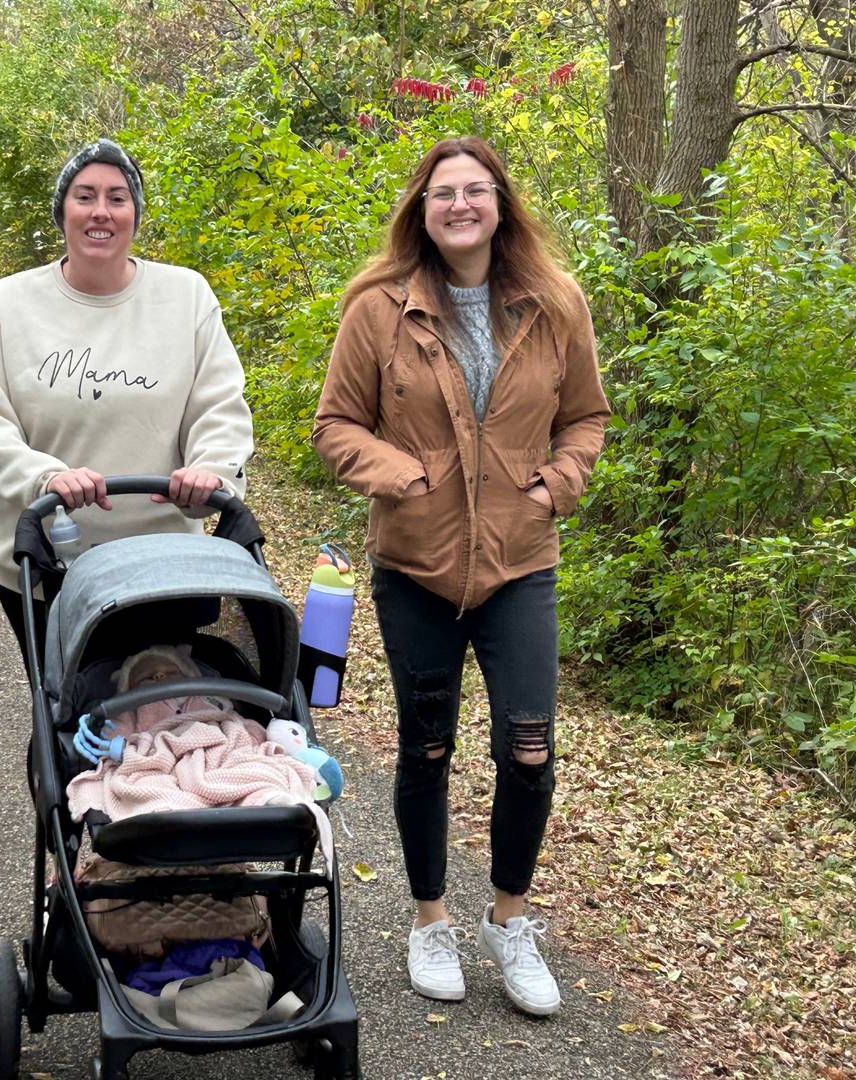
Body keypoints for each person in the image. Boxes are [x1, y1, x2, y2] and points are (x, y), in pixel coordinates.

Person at [312, 136, 609, 1017]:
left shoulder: (554, 303)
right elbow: (335, 425)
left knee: (530, 749)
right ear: (423, 207)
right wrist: (404, 476)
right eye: (444, 193)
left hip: (522, 562)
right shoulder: (379, 308)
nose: (460, 206)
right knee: (427, 745)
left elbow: (586, 417)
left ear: (501, 203)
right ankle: (430, 918)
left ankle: (509, 921)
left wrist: (559, 484)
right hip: (416, 565)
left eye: (476, 191)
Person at [0, 138, 254, 671]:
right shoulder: (7, 304)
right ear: (61, 210)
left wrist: (210, 472)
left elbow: (220, 406)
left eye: (118, 198)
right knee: (69, 722)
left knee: (176, 710)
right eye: (85, 196)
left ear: (136, 213)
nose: (101, 212)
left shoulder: (186, 297)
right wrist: (44, 478)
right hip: (49, 565)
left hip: (166, 568)